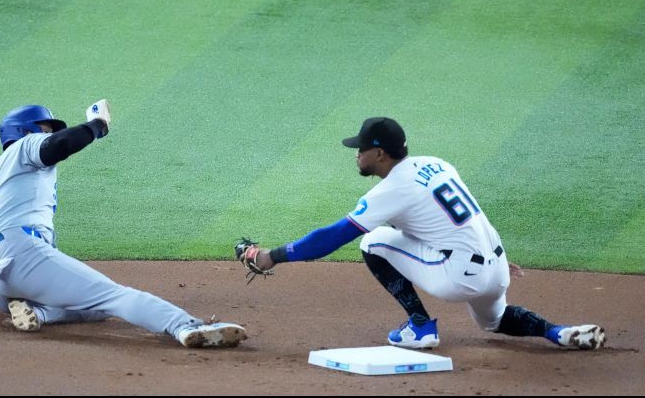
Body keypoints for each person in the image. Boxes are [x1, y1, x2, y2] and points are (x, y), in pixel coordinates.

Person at [243, 117, 605, 350]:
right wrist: (497, 262)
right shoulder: (436, 164)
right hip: (495, 264)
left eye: (361, 150)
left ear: (380, 154)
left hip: (460, 275)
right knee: (494, 320)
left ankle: (420, 326)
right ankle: (557, 332)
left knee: (373, 241)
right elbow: (460, 218)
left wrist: (270, 256)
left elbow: (331, 238)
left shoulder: (391, 190)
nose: (356, 155)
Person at [0, 101, 247, 348]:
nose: (50, 134)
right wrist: (96, 126)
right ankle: (185, 326)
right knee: (113, 296)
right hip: (22, 254)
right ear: (22, 132)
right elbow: (60, 145)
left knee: (93, 309)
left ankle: (37, 313)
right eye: (44, 128)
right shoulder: (24, 149)